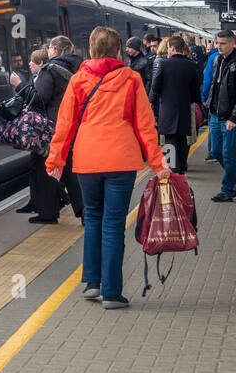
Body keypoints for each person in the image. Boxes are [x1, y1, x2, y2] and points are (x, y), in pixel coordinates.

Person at [47, 26, 169, 310]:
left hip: (87, 161)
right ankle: (112, 293)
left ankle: (92, 282)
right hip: (121, 162)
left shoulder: (78, 81)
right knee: (113, 224)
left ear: (90, 52)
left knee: (93, 220)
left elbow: (65, 125)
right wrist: (158, 164)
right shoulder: (132, 80)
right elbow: (145, 126)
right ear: (118, 52)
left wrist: (55, 160)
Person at [0, 52, 47, 214]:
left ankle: (69, 206)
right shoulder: (38, 77)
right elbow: (25, 99)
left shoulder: (45, 77)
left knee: (48, 171)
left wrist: (19, 85)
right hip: (40, 130)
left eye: (32, 62)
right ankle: (37, 203)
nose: (28, 65)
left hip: (44, 130)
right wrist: (1, 106)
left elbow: (39, 99)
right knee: (37, 169)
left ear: (40, 62)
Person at [40, 35, 85, 221]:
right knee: (74, 166)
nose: (48, 51)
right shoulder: (83, 67)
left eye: (50, 48)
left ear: (56, 50)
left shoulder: (49, 69)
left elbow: (41, 97)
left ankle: (51, 211)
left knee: (56, 167)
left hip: (56, 125)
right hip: (81, 123)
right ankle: (83, 209)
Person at [207, 29, 236, 202]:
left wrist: (234, 118)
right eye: (217, 43)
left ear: (233, 43)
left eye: (223, 43)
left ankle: (227, 190)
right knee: (216, 151)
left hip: (230, 117)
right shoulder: (218, 60)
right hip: (216, 114)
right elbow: (216, 85)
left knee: (228, 154)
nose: (219, 47)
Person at [148, 36, 202, 174]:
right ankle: (182, 167)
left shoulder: (163, 64)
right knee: (183, 140)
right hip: (184, 109)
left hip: (167, 110)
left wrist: (151, 101)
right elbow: (196, 91)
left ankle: (172, 168)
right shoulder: (191, 65)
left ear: (172, 48)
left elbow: (155, 86)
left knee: (169, 140)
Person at [202, 38, 221, 162]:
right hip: (230, 103)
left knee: (213, 128)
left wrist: (204, 98)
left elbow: (207, 80)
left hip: (214, 100)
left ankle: (212, 153)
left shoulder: (213, 58)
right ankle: (218, 153)